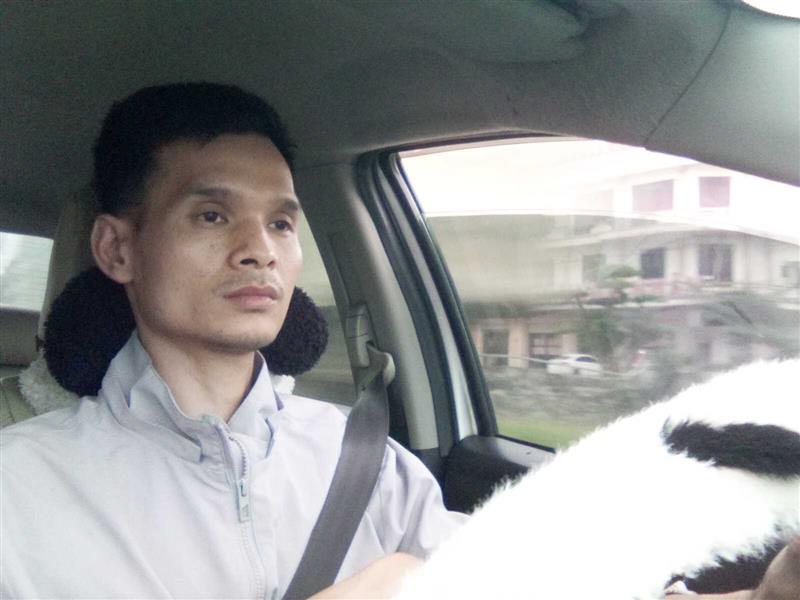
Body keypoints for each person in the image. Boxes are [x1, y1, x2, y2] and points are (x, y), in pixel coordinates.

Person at [0, 82, 465, 599]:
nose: (261, 250)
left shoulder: (370, 464)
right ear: (117, 250)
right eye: (212, 216)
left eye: (281, 223)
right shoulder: (17, 491)